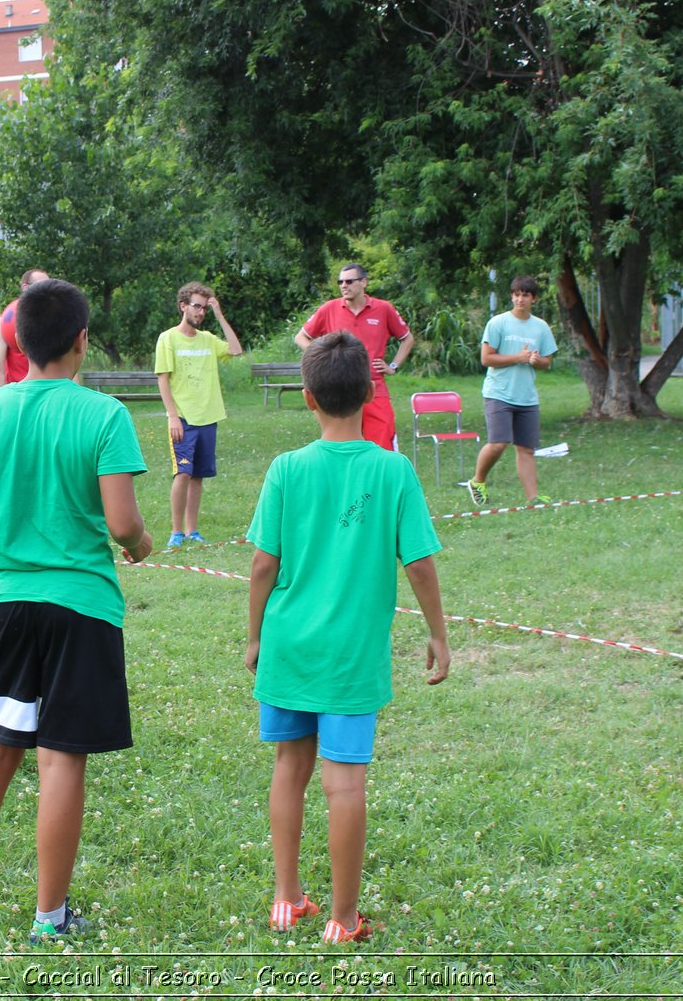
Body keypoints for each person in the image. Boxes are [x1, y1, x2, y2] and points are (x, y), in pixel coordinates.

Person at [0, 279, 152, 942]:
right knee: (61, 759)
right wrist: (138, 543)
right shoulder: (105, 415)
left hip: (11, 606)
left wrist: (17, 535)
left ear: (17, 341)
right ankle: (49, 919)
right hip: (82, 608)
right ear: (81, 341)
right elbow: (122, 522)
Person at [245, 330, 451, 944]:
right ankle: (342, 917)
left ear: (307, 398)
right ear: (369, 391)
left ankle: (287, 898)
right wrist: (439, 635)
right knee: (345, 783)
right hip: (351, 659)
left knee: (290, 769)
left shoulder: (286, 469)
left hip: (288, 645)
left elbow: (263, 565)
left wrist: (253, 638)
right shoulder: (393, 471)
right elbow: (418, 564)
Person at [155, 281, 243, 548]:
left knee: (198, 477)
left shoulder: (208, 340)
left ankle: (192, 531)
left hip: (208, 417)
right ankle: (176, 532)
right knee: (182, 474)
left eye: (204, 308)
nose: (201, 312)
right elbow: (163, 379)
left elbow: (236, 350)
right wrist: (172, 416)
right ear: (183, 306)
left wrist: (219, 314)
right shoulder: (168, 338)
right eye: (197, 307)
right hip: (183, 419)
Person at [294, 263, 414, 451]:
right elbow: (301, 337)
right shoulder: (329, 309)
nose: (344, 285)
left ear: (364, 282)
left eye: (349, 281)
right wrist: (326, 357)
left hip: (373, 386)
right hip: (340, 387)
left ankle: (378, 479)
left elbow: (407, 338)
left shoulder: (383, 309)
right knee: (342, 444)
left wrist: (393, 366)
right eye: (340, 281)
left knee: (382, 444)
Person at [464, 275, 558, 507]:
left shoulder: (541, 327)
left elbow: (548, 361)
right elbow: (486, 359)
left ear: (533, 299)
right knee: (499, 442)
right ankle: (477, 481)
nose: (520, 299)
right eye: (516, 295)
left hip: (526, 396)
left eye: (525, 295)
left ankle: (533, 498)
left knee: (526, 449)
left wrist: (537, 361)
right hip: (499, 393)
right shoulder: (498, 323)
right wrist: (518, 357)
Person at [0, 268, 49, 389]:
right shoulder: (5, 322)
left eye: (49, 285)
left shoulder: (55, 318)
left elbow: (68, 362)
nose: (47, 291)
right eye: (41, 285)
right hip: (19, 394)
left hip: (50, 393)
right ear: (25, 287)